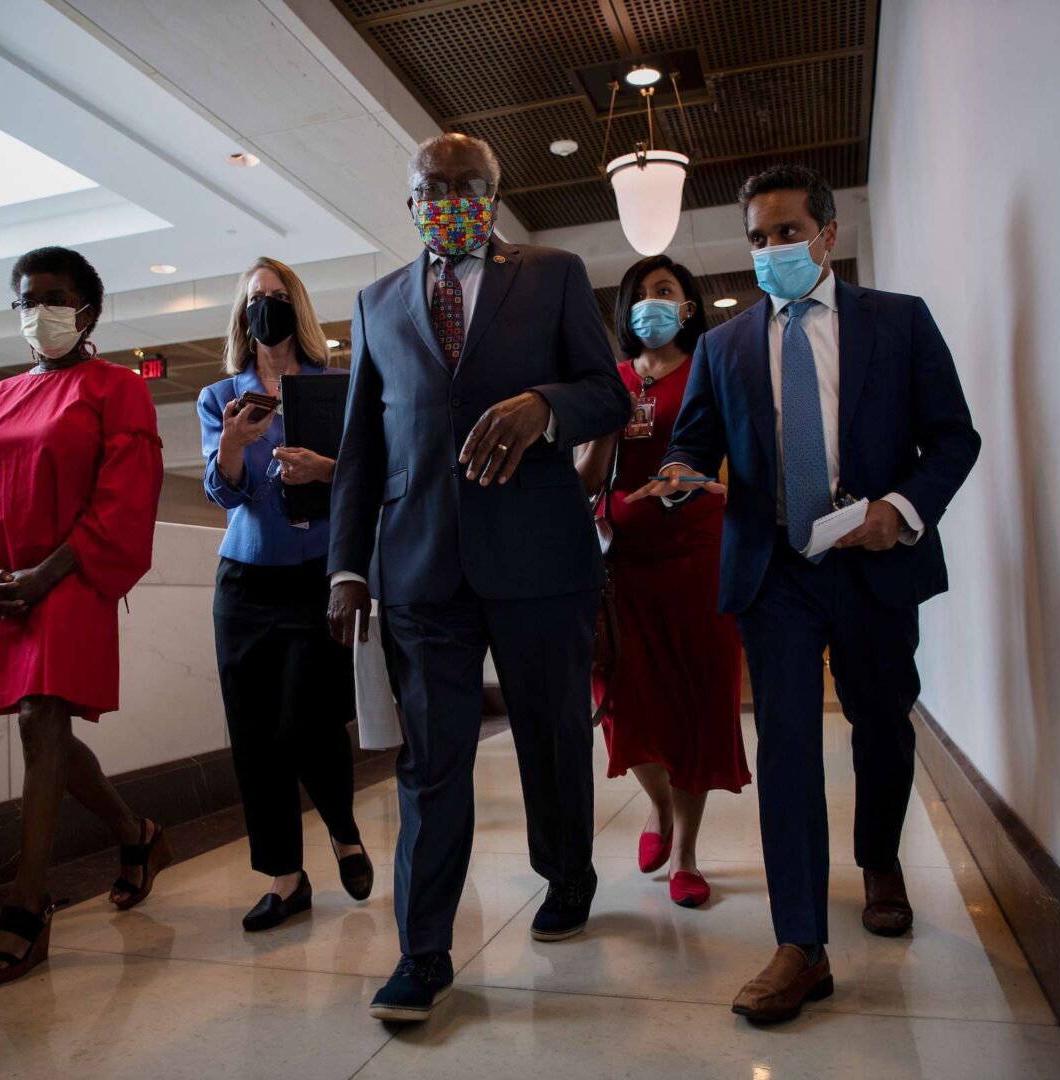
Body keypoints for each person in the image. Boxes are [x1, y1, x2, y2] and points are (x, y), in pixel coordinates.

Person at [630, 166, 981, 1022]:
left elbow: (953, 438)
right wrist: (678, 473)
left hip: (873, 560)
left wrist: (899, 512)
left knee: (881, 721)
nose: (771, 249)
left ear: (826, 234)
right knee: (786, 746)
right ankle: (800, 946)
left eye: (787, 232)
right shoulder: (724, 347)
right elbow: (694, 443)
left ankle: (880, 860)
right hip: (775, 569)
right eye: (757, 238)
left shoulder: (898, 321)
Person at [328, 133, 631, 1022]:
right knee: (431, 762)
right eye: (434, 186)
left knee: (552, 734)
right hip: (421, 567)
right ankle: (422, 952)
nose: (451, 197)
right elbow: (361, 448)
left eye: (469, 184)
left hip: (540, 556)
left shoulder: (553, 274)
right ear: (410, 200)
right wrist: (346, 566)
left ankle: (567, 873)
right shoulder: (377, 301)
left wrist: (546, 407)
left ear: (495, 196)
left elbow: (609, 393)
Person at [0, 246, 169, 987]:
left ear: (88, 312)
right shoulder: (0, 394)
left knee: (42, 718)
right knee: (43, 731)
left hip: (71, 572)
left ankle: (26, 905)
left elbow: (125, 494)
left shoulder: (117, 388)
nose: (35, 311)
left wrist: (46, 574)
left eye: (52, 298)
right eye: (25, 299)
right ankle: (136, 835)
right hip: (9, 581)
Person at [199, 256, 372, 932]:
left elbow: (369, 473)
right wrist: (232, 445)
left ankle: (344, 831)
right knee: (253, 731)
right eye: (253, 298)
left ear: (295, 305)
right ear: (242, 315)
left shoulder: (338, 387)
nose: (263, 307)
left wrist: (325, 469)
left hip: (317, 574)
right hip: (245, 580)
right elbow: (224, 494)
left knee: (308, 718)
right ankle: (285, 877)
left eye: (274, 295)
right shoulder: (222, 396)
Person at [576, 256, 750, 909]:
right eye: (640, 294)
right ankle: (660, 806)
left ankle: (686, 853)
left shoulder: (711, 368)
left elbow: (737, 453)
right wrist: (605, 424)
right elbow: (584, 478)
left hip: (697, 557)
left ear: (688, 306)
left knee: (696, 700)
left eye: (665, 291)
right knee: (622, 699)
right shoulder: (609, 382)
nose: (652, 302)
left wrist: (696, 483)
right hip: (621, 564)